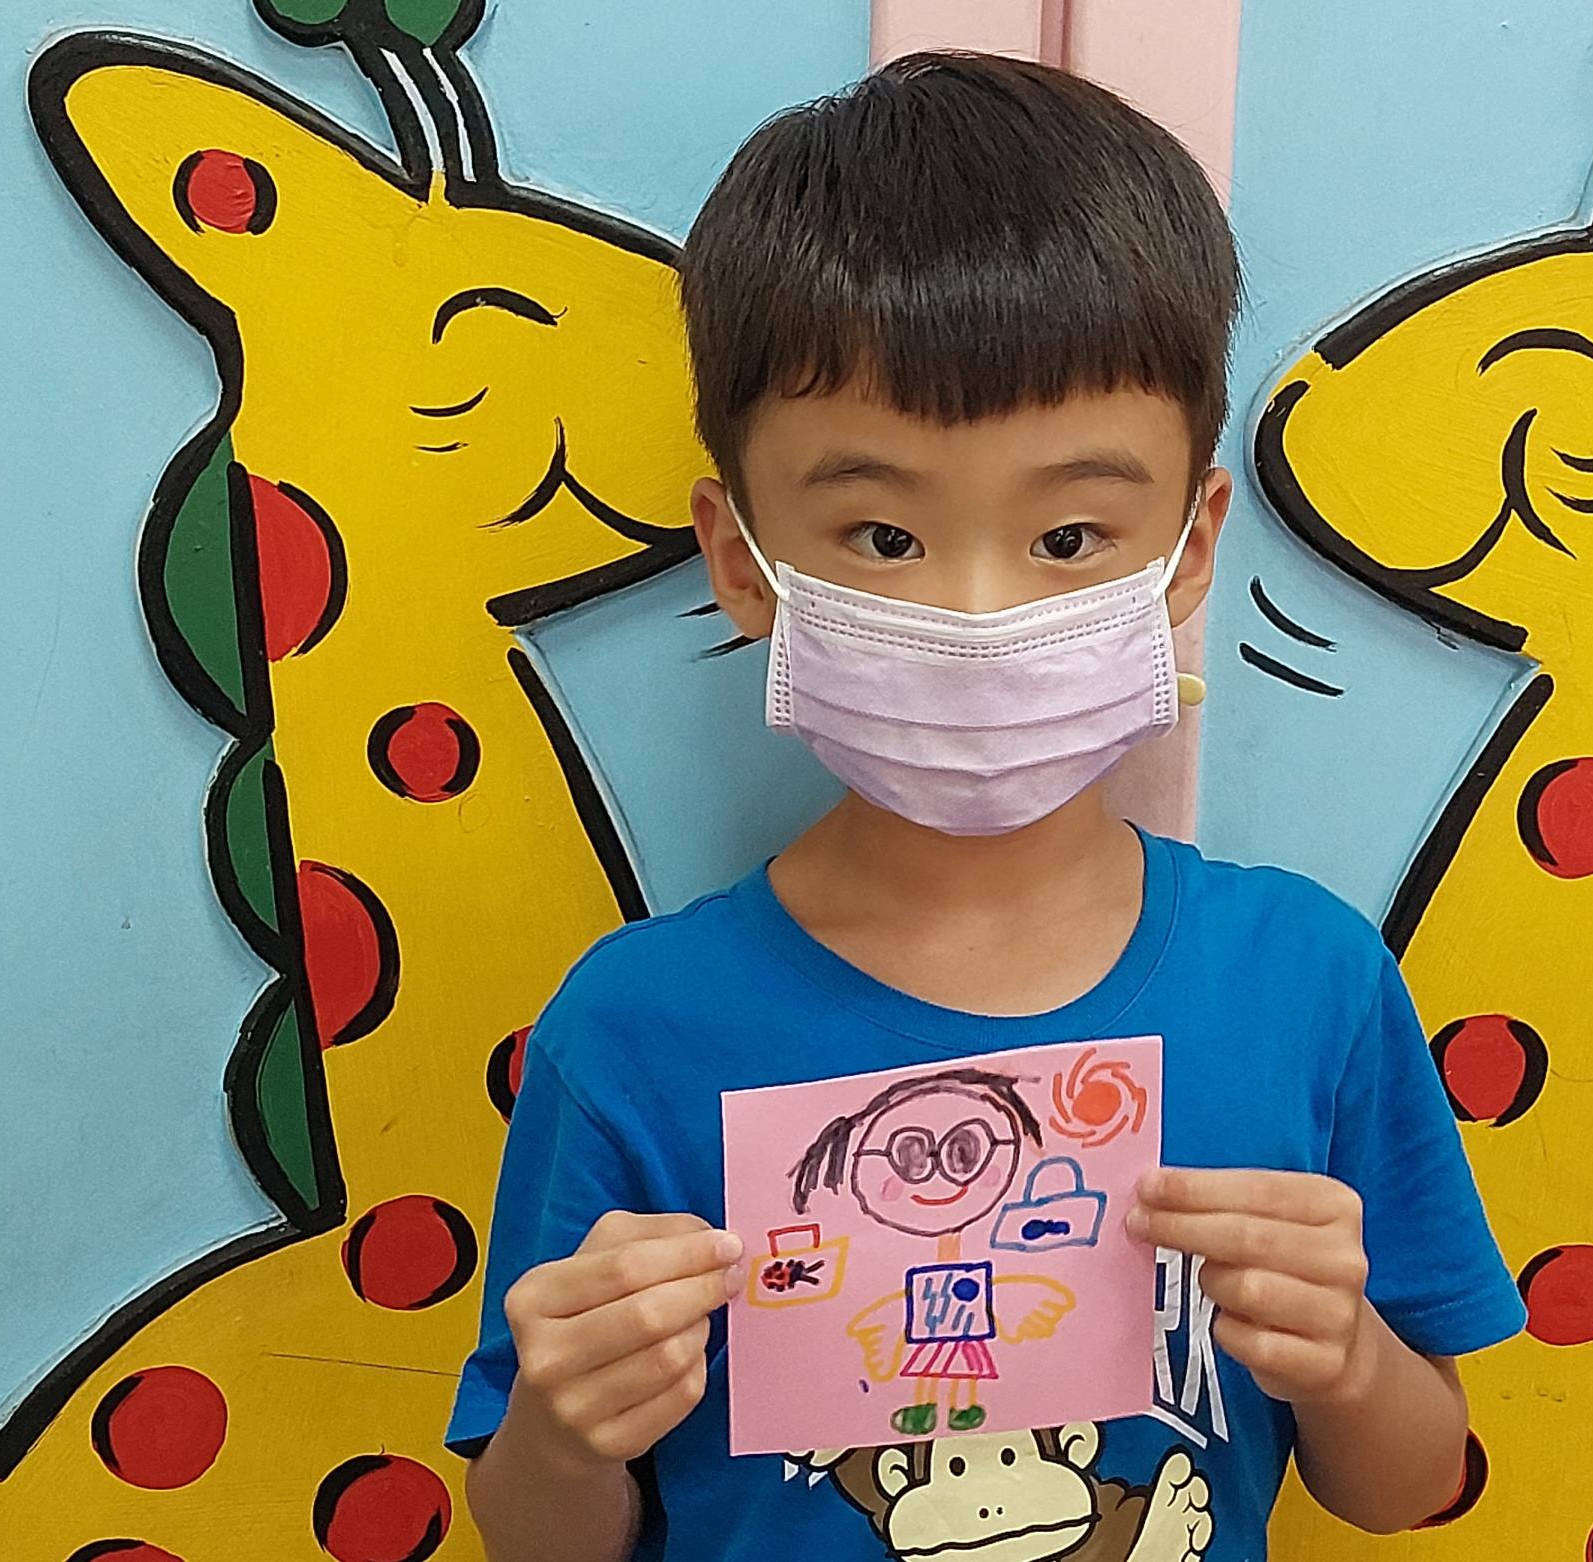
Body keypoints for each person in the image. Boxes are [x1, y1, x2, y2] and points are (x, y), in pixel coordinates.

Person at [448, 50, 1524, 1562]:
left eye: (1070, 534)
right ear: (744, 558)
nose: (975, 616)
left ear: (1189, 547)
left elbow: (1404, 1485)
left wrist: (1344, 1356)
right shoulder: (632, 1029)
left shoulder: (1307, 983)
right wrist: (565, 1426)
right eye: (882, 535)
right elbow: (538, 1539)